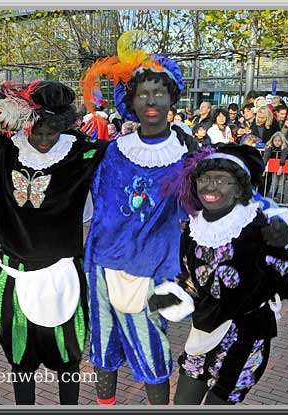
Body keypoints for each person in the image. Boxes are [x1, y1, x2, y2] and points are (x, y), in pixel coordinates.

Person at [163, 144, 288, 405]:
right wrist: (175, 296)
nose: (210, 187)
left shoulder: (256, 228)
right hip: (204, 331)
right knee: (183, 403)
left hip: (244, 337)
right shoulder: (193, 229)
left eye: (222, 180)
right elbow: (192, 277)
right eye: (205, 179)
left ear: (240, 189)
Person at [80, 31, 194, 405]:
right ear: (130, 100)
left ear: (171, 99)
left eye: (159, 93)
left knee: (153, 351)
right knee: (103, 347)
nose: (150, 100)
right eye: (143, 93)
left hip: (154, 269)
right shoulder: (113, 151)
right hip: (102, 262)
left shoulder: (186, 156)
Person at [0, 80, 108, 405]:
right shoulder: (3, 152)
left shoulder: (82, 155)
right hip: (13, 276)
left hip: (63, 275)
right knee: (21, 364)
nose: (46, 140)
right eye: (39, 132)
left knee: (69, 362)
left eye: (53, 132)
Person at [262, 132, 288, 202]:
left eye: (279, 141)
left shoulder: (285, 147)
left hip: (284, 167)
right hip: (274, 167)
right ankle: (270, 196)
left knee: (281, 183)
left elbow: (283, 157)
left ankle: (279, 196)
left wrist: (281, 166)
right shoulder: (270, 146)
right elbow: (266, 156)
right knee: (274, 181)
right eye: (275, 141)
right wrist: (263, 167)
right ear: (272, 141)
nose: (277, 142)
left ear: (282, 141)